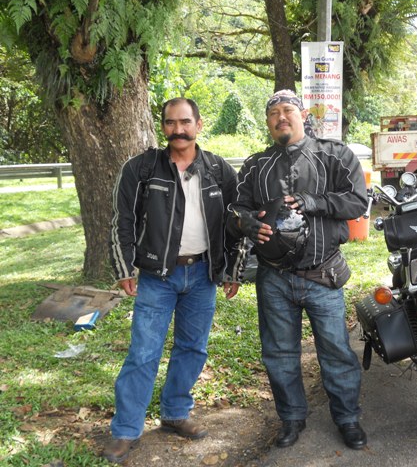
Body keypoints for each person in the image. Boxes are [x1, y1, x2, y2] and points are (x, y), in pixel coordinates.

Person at [227, 90, 369, 450]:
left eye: (287, 110)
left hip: (323, 273)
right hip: (273, 278)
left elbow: (357, 201)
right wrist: (245, 223)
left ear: (303, 115)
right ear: (268, 122)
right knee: (278, 354)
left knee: (336, 351)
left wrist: (313, 202)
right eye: (273, 113)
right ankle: (291, 418)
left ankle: (347, 418)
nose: (281, 117)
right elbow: (235, 210)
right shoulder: (256, 165)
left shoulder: (335, 155)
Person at [105, 98, 243, 463]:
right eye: (170, 123)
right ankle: (126, 429)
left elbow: (236, 225)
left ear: (199, 124)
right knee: (143, 353)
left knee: (193, 348)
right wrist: (124, 268)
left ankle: (175, 412)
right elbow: (122, 220)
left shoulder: (219, 171)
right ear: (162, 125)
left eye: (185, 122)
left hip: (202, 275)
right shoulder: (141, 169)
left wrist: (232, 270)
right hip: (156, 276)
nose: (178, 130)